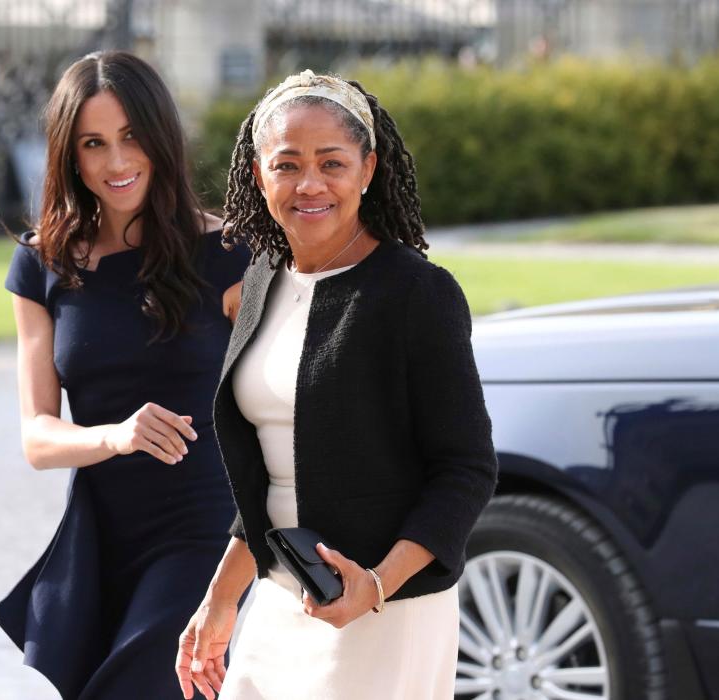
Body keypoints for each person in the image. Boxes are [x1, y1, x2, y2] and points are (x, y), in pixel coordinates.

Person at [175, 70, 498, 700]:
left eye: (332, 162)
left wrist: (375, 585)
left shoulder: (416, 294)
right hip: (279, 599)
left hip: (383, 607)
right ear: (258, 174)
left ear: (369, 167)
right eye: (287, 164)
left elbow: (466, 469)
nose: (311, 184)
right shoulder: (262, 283)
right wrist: (219, 600)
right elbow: (273, 477)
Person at [0, 51, 250, 700]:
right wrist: (115, 436)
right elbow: (37, 438)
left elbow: (282, 407)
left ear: (160, 138)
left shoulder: (229, 256)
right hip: (101, 538)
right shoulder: (41, 267)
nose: (116, 162)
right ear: (69, 155)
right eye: (94, 143)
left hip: (204, 530)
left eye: (132, 137)